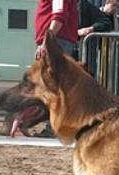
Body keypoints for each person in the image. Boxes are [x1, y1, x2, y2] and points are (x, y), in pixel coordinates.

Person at [34, 0, 78, 137]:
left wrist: (46, 42)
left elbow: (59, 16)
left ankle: (52, 127)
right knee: (55, 86)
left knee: (52, 87)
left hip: (57, 40)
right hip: (60, 40)